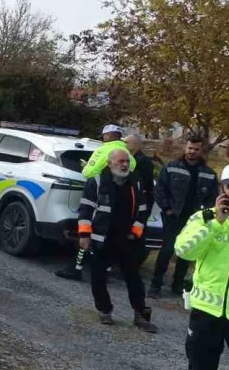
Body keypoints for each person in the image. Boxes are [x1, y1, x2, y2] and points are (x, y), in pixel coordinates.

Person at [161, 167, 229, 370]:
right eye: (228, 186)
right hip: (206, 314)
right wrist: (215, 223)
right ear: (221, 188)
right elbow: (184, 250)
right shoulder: (203, 217)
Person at [77, 148, 156, 332]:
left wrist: (135, 233)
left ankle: (140, 314)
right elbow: (85, 210)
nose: (124, 164)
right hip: (101, 238)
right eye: (120, 161)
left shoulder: (135, 182)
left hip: (127, 239)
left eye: (126, 161)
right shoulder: (97, 181)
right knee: (98, 276)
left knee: (134, 278)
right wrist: (84, 235)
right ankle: (105, 309)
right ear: (109, 162)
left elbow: (142, 211)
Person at [55, 126, 138, 282]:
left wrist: (87, 166)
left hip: (99, 198)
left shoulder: (103, 150)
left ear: (107, 135)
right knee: (110, 237)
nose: (103, 138)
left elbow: (88, 173)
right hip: (118, 202)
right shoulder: (128, 155)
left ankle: (76, 269)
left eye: (104, 135)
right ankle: (104, 271)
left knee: (87, 233)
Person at [151, 135, 218, 298]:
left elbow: (212, 198)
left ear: (201, 151)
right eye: (190, 148)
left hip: (195, 220)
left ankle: (177, 285)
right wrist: (167, 209)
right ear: (185, 148)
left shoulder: (209, 174)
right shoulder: (172, 167)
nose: (192, 152)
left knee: (187, 252)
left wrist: (206, 218)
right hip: (173, 216)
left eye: (196, 149)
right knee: (167, 250)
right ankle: (155, 285)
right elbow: (160, 189)